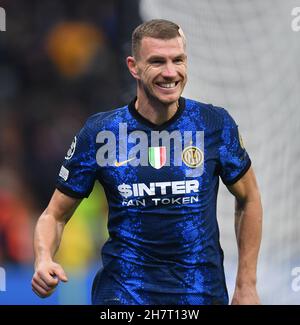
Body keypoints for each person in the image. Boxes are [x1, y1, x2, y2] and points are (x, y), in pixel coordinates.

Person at [32, 19, 262, 305]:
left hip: (200, 296)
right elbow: (53, 215)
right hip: (123, 298)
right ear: (134, 67)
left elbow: (250, 198)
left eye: (178, 60)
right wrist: (43, 259)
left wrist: (246, 285)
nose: (170, 72)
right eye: (157, 61)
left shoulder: (213, 124)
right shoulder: (102, 133)